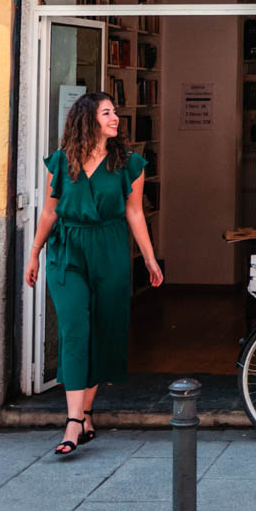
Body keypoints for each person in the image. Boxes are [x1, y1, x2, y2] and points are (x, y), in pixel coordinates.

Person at [25, 92, 163, 457]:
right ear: (89, 119)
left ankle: (86, 412)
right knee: (75, 330)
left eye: (116, 112)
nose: (116, 118)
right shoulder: (61, 161)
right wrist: (35, 252)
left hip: (109, 249)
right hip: (67, 249)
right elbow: (49, 213)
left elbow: (134, 213)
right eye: (107, 113)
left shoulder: (129, 163)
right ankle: (73, 421)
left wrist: (149, 258)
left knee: (103, 329)